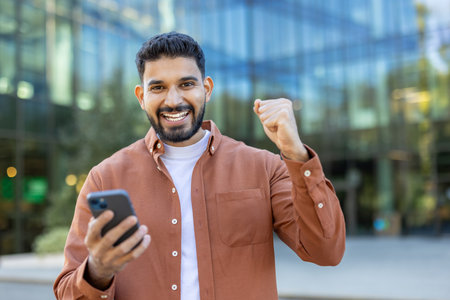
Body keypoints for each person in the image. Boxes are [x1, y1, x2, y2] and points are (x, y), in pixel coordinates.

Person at [54, 32, 345, 300]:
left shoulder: (264, 168)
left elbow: (326, 250)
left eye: (186, 84)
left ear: (206, 88)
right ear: (142, 97)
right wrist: (98, 270)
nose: (173, 100)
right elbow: (67, 291)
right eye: (158, 87)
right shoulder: (106, 177)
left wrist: (295, 153)